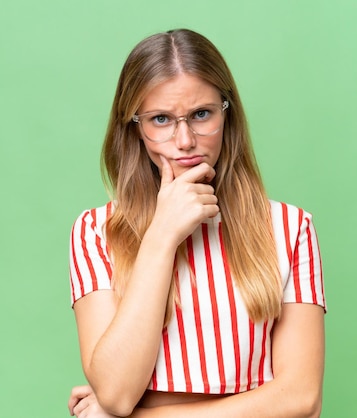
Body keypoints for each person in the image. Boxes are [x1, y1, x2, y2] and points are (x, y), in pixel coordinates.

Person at [67, 29, 326, 418]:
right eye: (161, 119)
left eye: (201, 114)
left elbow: (301, 398)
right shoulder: (95, 232)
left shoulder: (290, 229)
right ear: (135, 128)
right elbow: (117, 392)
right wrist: (161, 236)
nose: (185, 140)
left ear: (227, 113)